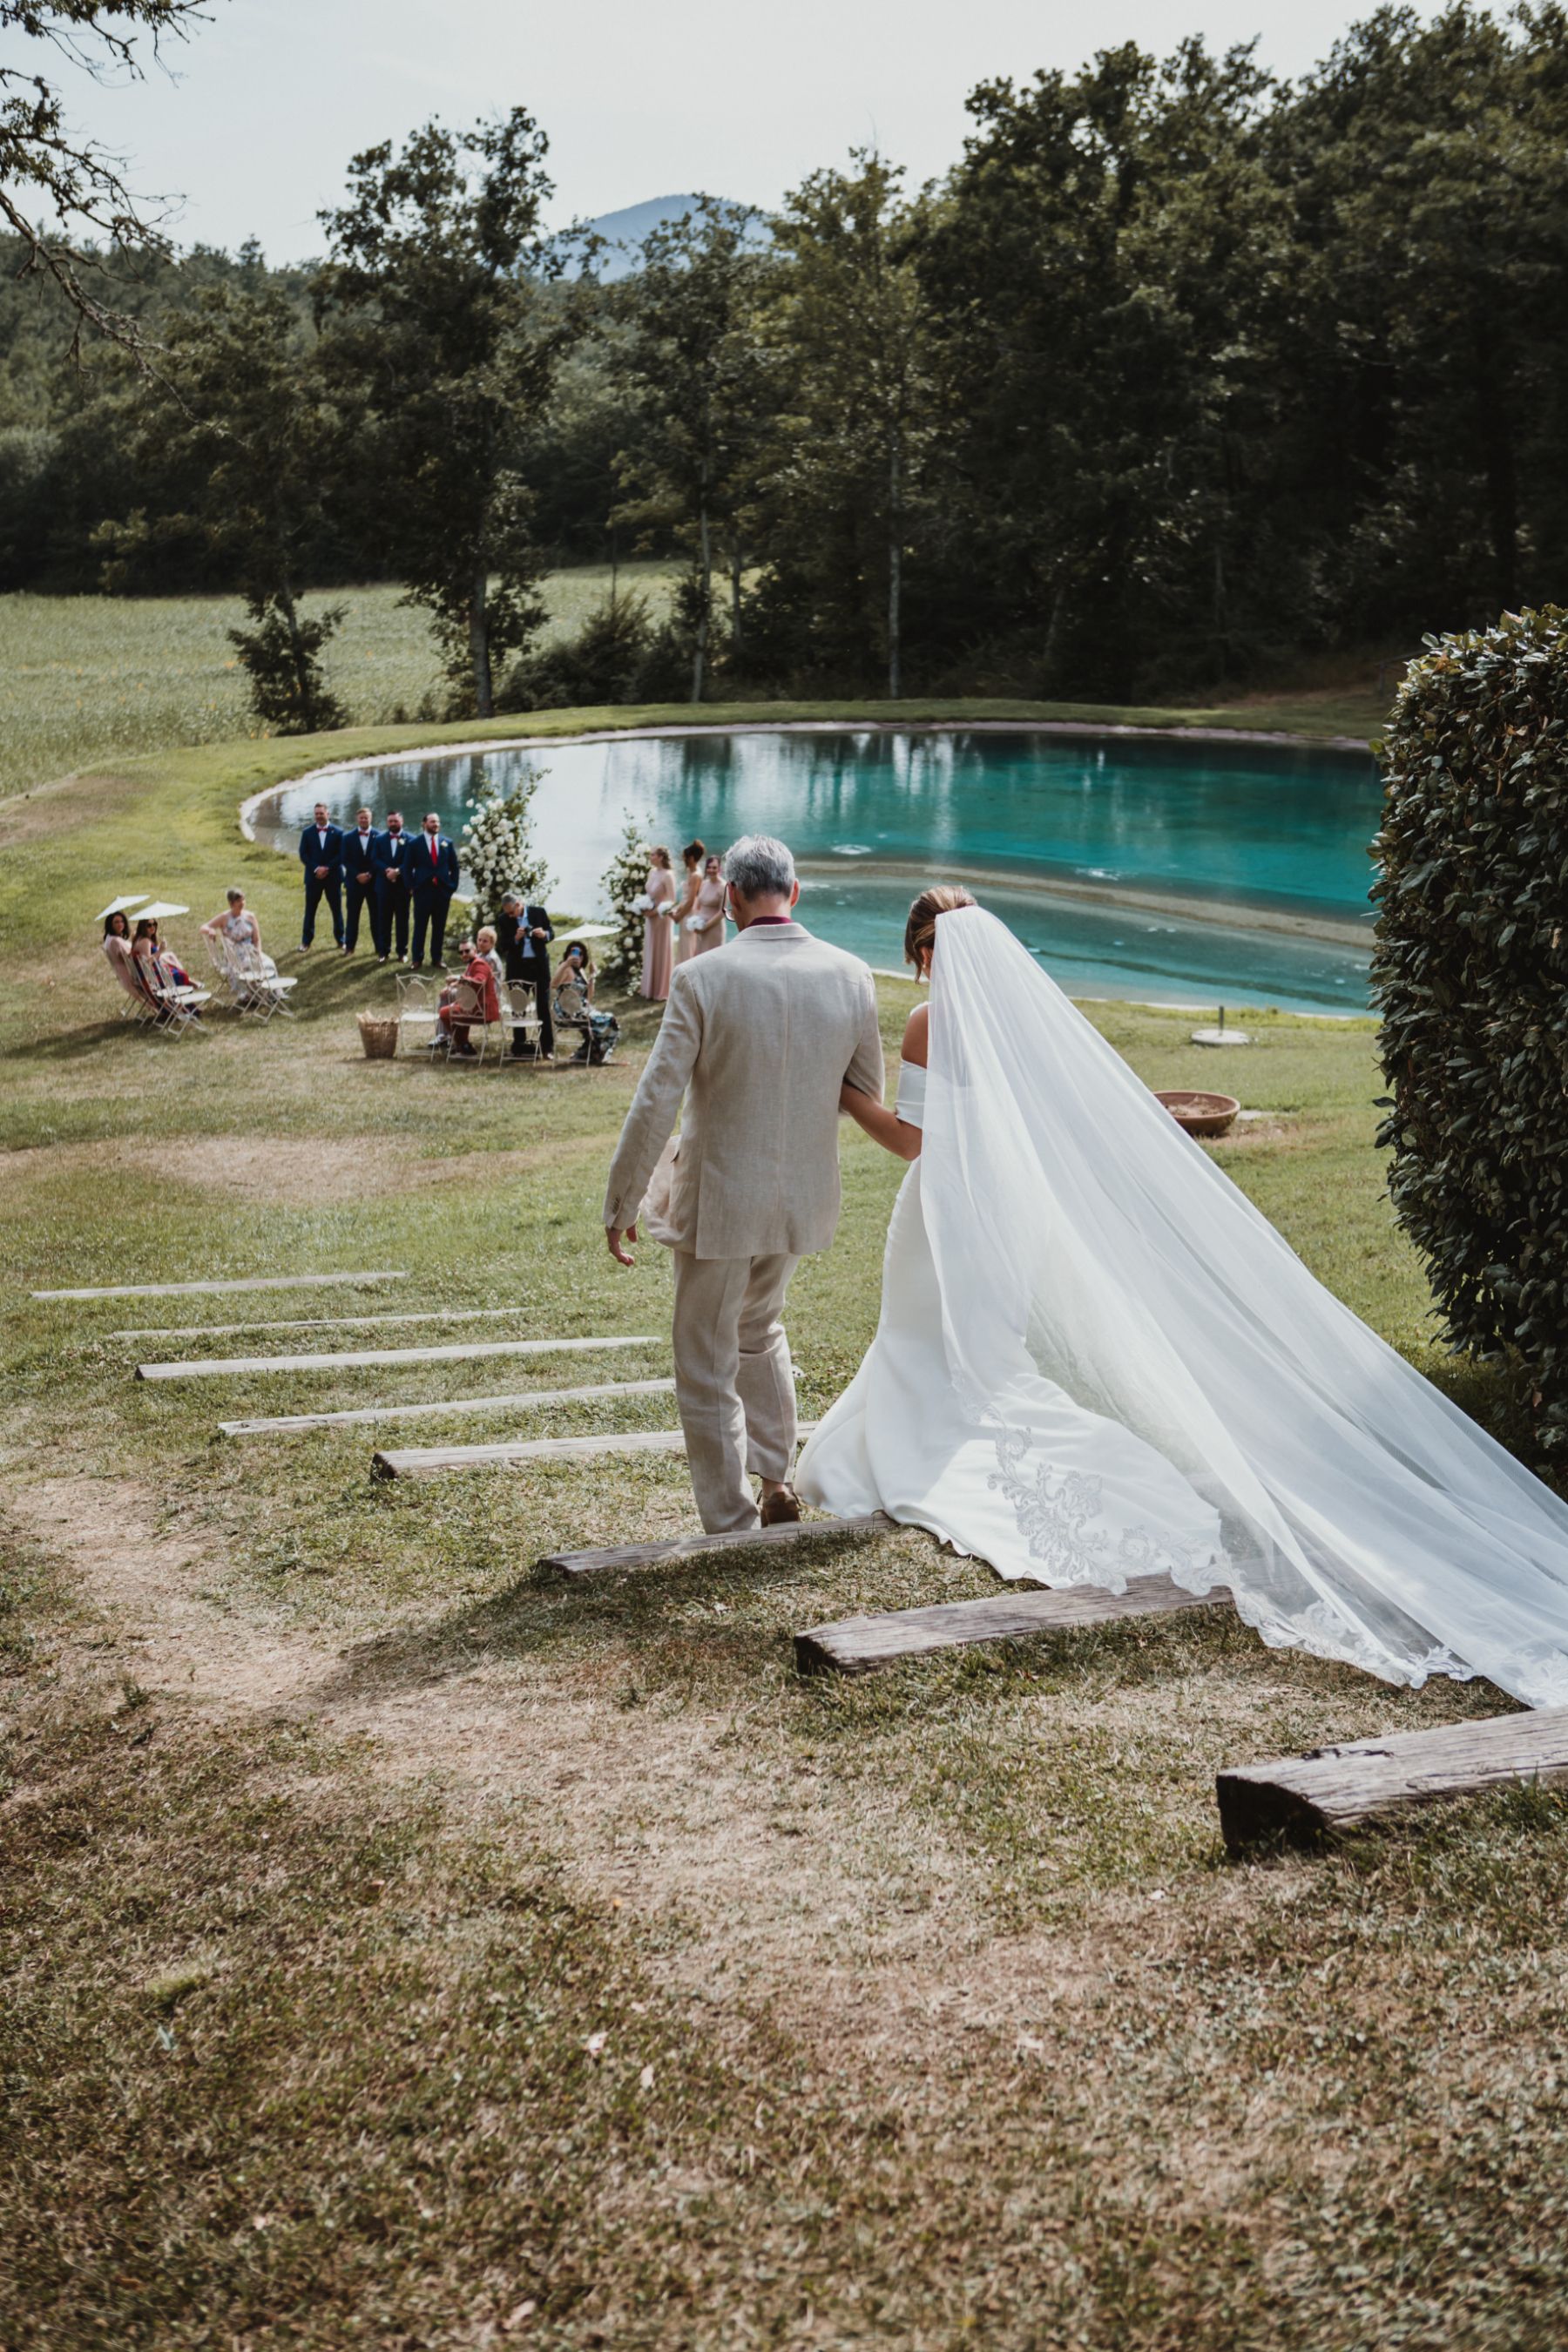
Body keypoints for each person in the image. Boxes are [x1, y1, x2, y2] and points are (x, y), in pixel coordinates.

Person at [798, 889, 1568, 1712]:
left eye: (918, 958)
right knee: (988, 1353)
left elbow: (913, 1141)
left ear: (924, 952)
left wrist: (846, 1095)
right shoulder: (1018, 1022)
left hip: (946, 1212)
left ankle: (914, 1443)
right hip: (1015, 1214)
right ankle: (943, 1434)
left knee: (922, 1336)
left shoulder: (929, 1023)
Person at [603, 834, 884, 1537]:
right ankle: (776, 1479)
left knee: (705, 1355)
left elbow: (657, 1098)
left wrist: (623, 1198)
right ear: (795, 891)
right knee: (760, 1328)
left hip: (719, 1200)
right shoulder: (852, 975)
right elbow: (864, 1090)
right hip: (800, 1197)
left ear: (728, 897)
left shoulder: (703, 978)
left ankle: (730, 1520)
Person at [497, 889, 555, 1059]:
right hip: (518, 967)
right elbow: (503, 945)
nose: (510, 916)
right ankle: (520, 1046)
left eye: (512, 912)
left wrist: (544, 934)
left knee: (543, 1006)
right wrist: (515, 938)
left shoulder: (538, 912)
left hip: (538, 966)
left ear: (519, 905)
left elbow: (551, 932)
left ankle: (547, 1047)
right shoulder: (504, 920)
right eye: (507, 913)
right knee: (518, 1006)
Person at [202, 889, 278, 997]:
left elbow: (257, 939)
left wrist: (258, 952)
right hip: (235, 954)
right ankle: (252, 994)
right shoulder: (224, 917)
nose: (242, 903)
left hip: (250, 951)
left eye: (243, 900)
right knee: (251, 966)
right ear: (231, 903)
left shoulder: (250, 916)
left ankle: (271, 994)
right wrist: (210, 930)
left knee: (269, 963)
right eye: (238, 901)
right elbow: (203, 927)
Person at [435, 936, 500, 1058]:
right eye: (461, 952)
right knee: (455, 1010)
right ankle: (464, 1046)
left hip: (482, 1009)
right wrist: (452, 986)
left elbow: (479, 981)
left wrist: (458, 978)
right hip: (474, 1006)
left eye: (467, 951)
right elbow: (466, 982)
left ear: (475, 951)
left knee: (444, 1012)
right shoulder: (472, 964)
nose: (464, 954)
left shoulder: (479, 964)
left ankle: (462, 1044)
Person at [410, 811, 459, 969]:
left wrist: (452, 887)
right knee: (420, 926)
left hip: (442, 892)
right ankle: (417, 959)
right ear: (424, 824)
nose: (436, 824)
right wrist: (411, 887)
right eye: (432, 822)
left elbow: (455, 867)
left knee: (439, 926)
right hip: (422, 892)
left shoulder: (447, 843)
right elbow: (407, 867)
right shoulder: (415, 843)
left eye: (437, 822)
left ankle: (437, 958)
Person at [298, 801, 345, 950]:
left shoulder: (339, 832)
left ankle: (341, 939)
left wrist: (327, 868)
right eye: (316, 814)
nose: (319, 816)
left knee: (336, 910)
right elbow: (303, 854)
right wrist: (316, 868)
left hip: (333, 878)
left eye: (321, 813)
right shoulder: (307, 832)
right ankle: (306, 941)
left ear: (327, 814)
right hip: (313, 878)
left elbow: (342, 854)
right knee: (310, 910)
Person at [374, 811, 413, 963]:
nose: (393, 824)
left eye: (395, 821)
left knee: (402, 920)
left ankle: (402, 952)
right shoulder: (379, 839)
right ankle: (383, 951)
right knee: (384, 920)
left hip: (403, 886)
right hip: (384, 886)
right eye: (390, 821)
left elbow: (412, 861)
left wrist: (398, 871)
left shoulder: (411, 839)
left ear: (402, 821)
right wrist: (387, 870)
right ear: (387, 822)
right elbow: (375, 859)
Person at [639, 846, 677, 1001]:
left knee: (661, 950)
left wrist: (654, 912)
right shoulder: (652, 872)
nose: (650, 857)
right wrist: (643, 907)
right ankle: (649, 987)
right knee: (650, 948)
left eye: (653, 855)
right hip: (650, 918)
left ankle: (661, 989)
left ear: (661, 857)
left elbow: (672, 901)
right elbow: (649, 895)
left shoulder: (668, 875)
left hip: (662, 918)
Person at [340, 806, 379, 955]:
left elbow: (380, 858)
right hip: (354, 882)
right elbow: (345, 859)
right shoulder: (347, 837)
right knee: (352, 916)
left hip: (373, 882)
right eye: (361, 818)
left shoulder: (379, 836)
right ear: (357, 819)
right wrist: (357, 875)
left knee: (376, 916)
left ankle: (379, 947)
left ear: (371, 818)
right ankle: (350, 947)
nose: (364, 820)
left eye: (366, 817)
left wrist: (369, 874)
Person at [686, 852, 728, 956]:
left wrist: (706, 926)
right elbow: (697, 905)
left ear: (719, 869)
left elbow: (722, 912)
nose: (711, 870)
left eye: (714, 868)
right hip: (700, 928)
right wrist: (695, 922)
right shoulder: (704, 884)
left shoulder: (723, 886)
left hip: (714, 929)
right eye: (709, 867)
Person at [673, 838, 705, 966]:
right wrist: (677, 909)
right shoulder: (691, 872)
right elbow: (686, 898)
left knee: (687, 946)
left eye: (685, 857)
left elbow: (691, 901)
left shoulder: (696, 875)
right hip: (685, 911)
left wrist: (679, 916)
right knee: (683, 944)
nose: (683, 860)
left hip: (689, 914)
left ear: (691, 858)